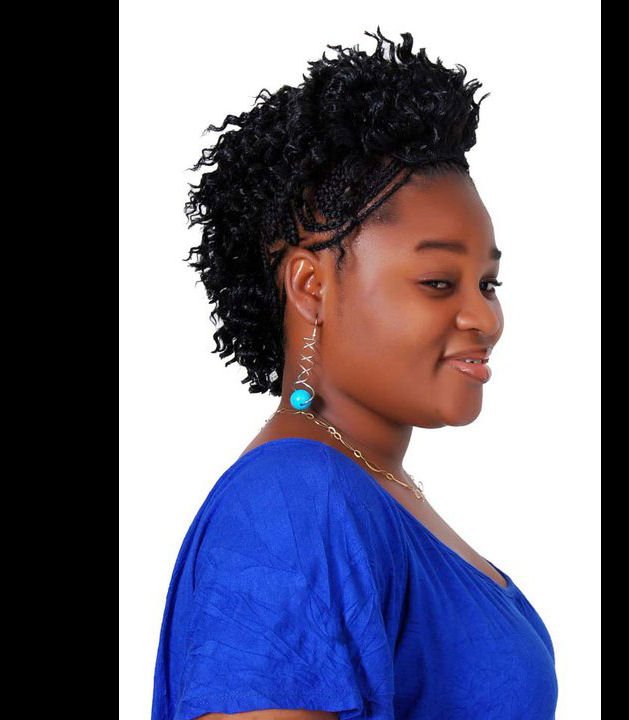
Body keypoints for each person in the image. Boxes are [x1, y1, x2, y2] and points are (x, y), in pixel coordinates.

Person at [151, 27, 558, 720]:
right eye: (438, 282)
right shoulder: (292, 502)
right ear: (311, 287)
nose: (484, 318)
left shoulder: (371, 487)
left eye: (488, 284)